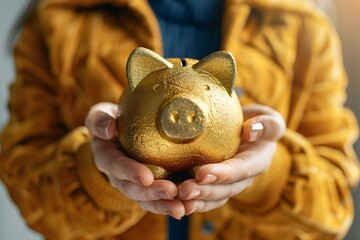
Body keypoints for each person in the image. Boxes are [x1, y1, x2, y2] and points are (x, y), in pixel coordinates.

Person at [0, 0, 359, 239]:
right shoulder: (58, 20)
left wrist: (268, 175)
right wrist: (95, 174)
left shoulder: (302, 26)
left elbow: (333, 208)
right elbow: (26, 187)